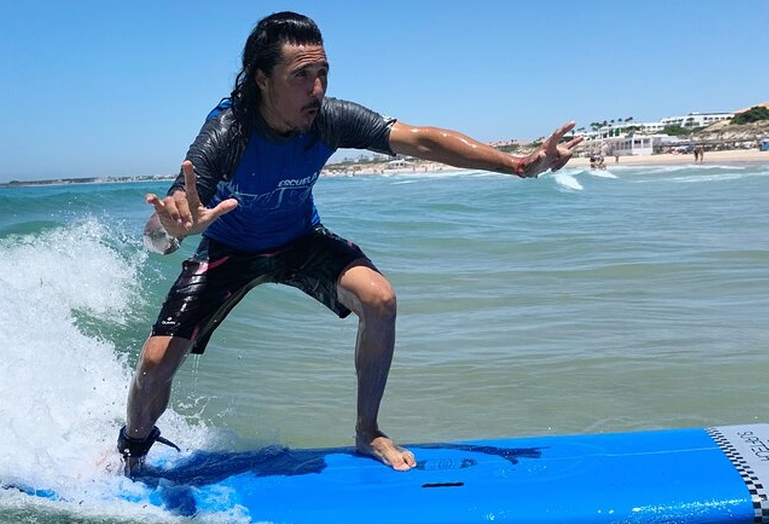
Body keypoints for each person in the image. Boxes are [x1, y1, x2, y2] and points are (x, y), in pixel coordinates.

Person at [117, 11, 583, 477]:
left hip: (299, 240)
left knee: (379, 299)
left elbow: (420, 140)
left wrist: (519, 166)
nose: (316, 89)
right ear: (262, 79)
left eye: (322, 74)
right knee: (156, 362)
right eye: (301, 76)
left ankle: (368, 431)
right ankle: (132, 455)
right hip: (228, 251)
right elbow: (160, 230)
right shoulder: (227, 132)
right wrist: (175, 229)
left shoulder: (328, 120)